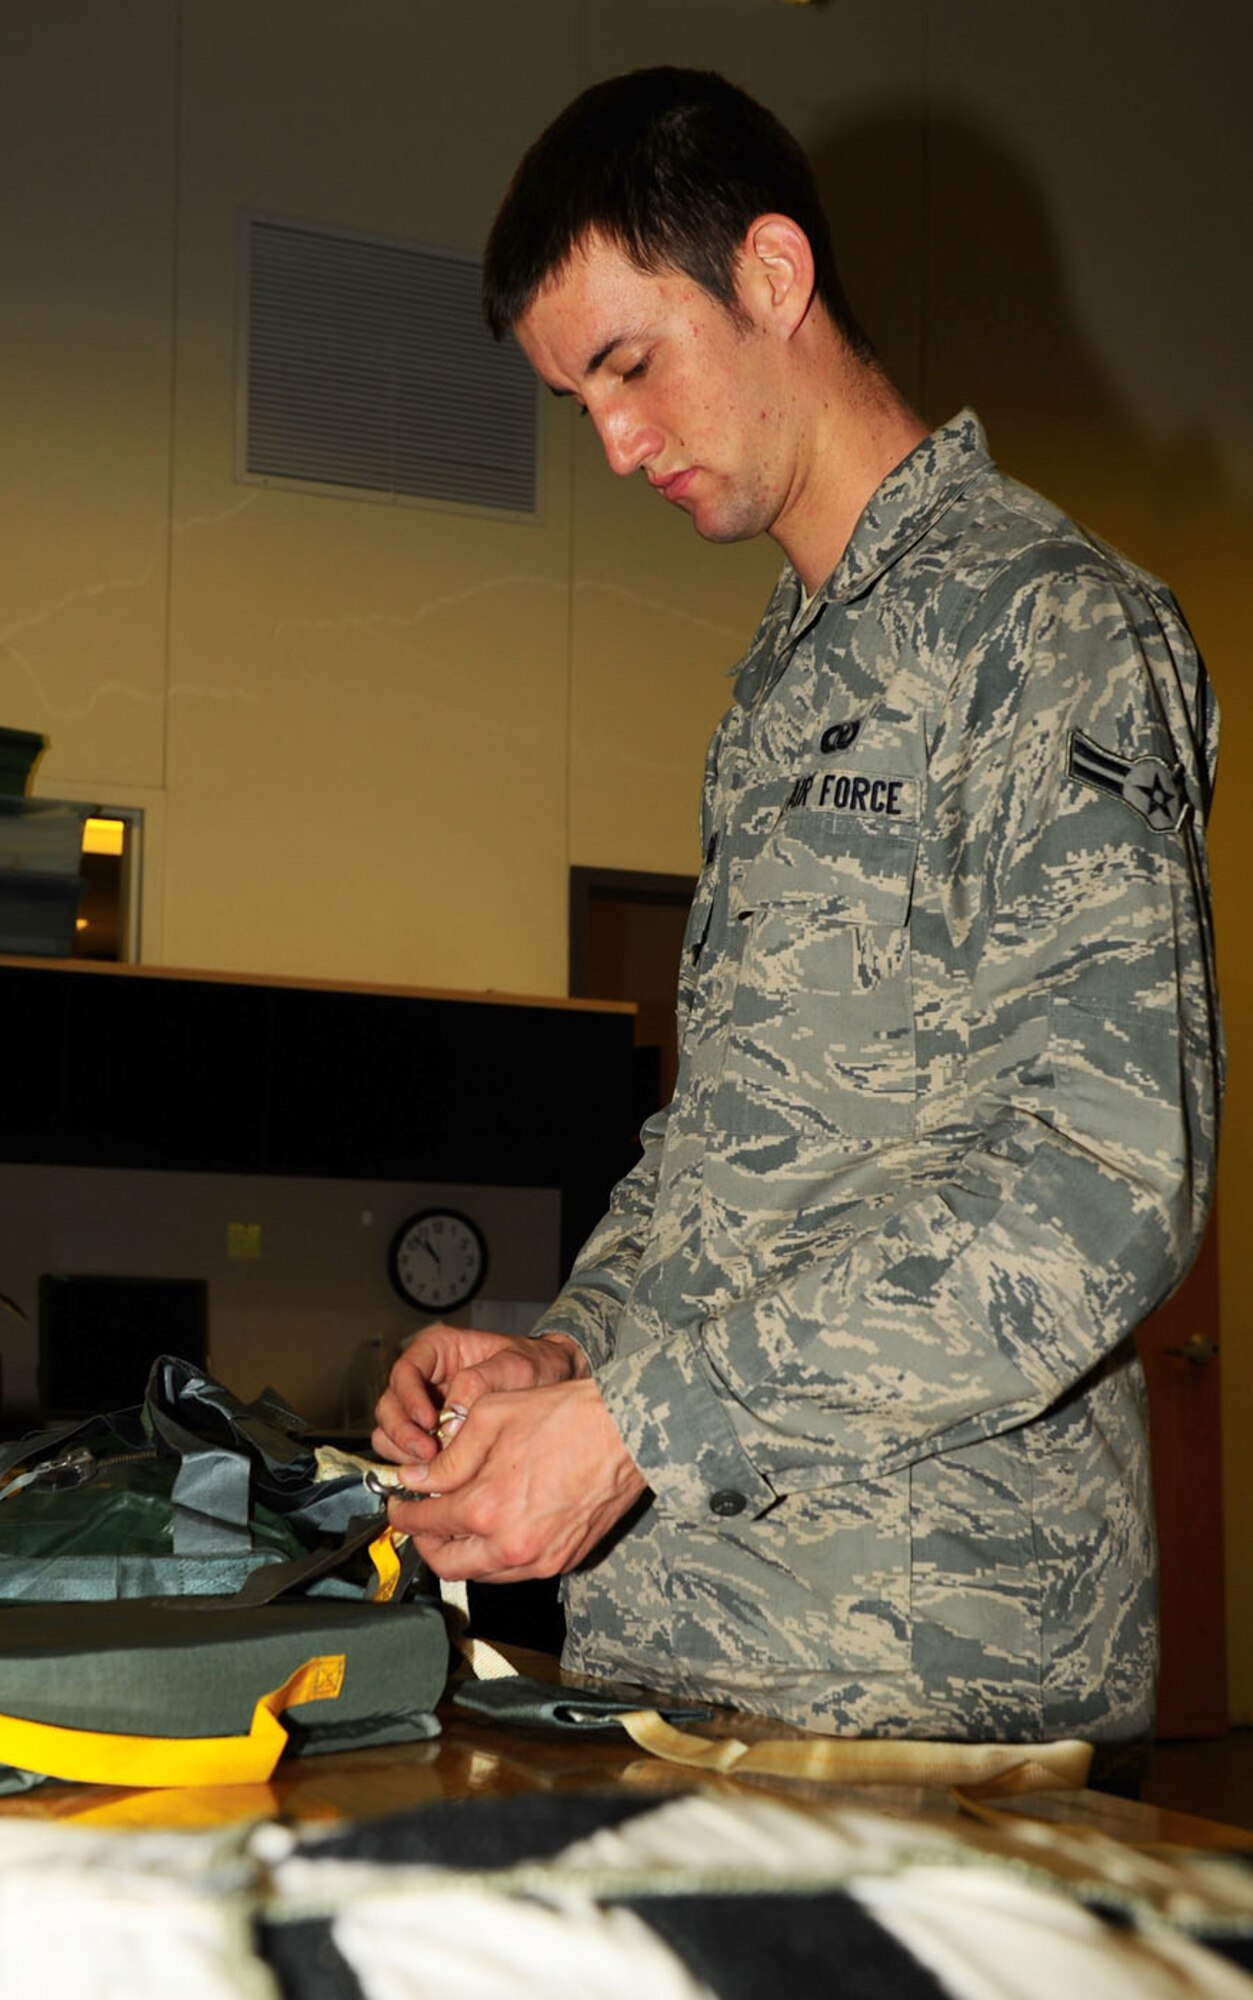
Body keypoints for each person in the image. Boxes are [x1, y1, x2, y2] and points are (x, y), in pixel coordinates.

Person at [373, 67, 1222, 1748]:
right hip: (705, 1650)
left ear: (770, 276)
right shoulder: (789, 671)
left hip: (918, 1670)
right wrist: (572, 1354)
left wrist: (633, 1426)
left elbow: (1099, 1184)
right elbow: (737, 1153)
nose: (612, 443)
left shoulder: (1043, 630)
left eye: (627, 363)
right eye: (577, 400)